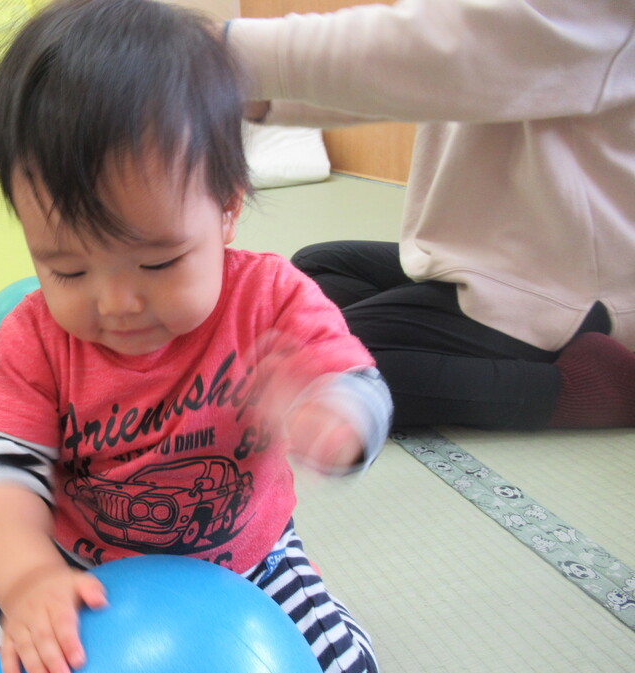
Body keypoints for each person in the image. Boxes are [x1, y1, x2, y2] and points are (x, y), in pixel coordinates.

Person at [0, 2, 392, 673]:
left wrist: (334, 419)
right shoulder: (34, 340)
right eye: (67, 268)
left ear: (226, 210)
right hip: (82, 569)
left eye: (158, 262)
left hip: (248, 560)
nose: (116, 302)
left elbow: (359, 384)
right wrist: (28, 582)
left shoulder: (271, 299)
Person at [225, 0, 635, 430]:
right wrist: (248, 96)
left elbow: (446, 49)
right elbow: (411, 78)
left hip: (570, 285)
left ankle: (584, 389)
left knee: (298, 370)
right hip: (506, 250)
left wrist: (219, 54)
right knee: (321, 264)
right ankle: (415, 339)